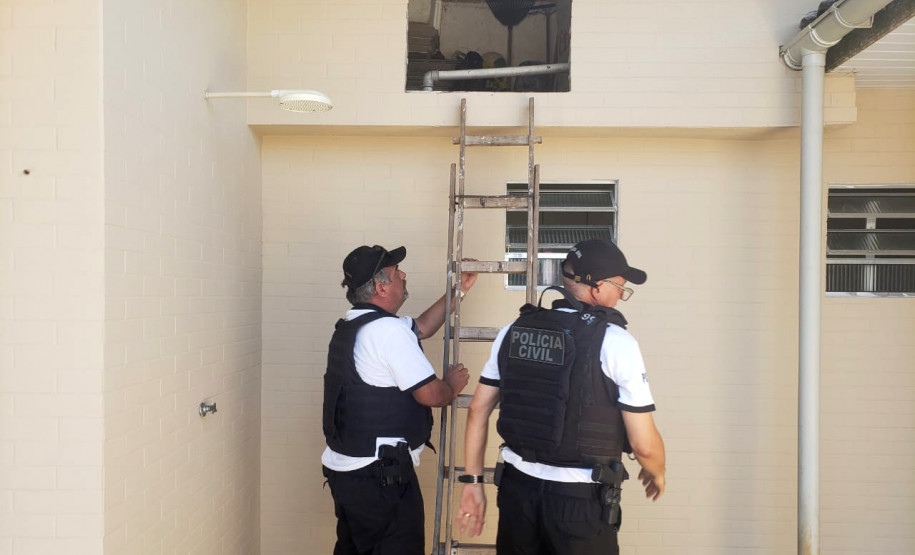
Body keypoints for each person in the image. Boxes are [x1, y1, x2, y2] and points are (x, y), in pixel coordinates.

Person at [457, 239, 666, 555]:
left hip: (517, 496)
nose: (622, 295)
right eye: (619, 286)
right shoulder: (616, 342)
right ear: (596, 288)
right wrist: (657, 471)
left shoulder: (514, 330)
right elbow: (643, 445)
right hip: (578, 505)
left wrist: (472, 483)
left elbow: (477, 409)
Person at [322, 244, 477, 555]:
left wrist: (458, 291)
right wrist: (451, 385)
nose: (403, 275)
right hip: (379, 479)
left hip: (348, 473)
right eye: (396, 273)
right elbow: (430, 395)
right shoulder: (387, 332)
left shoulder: (355, 324)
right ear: (381, 287)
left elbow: (422, 327)